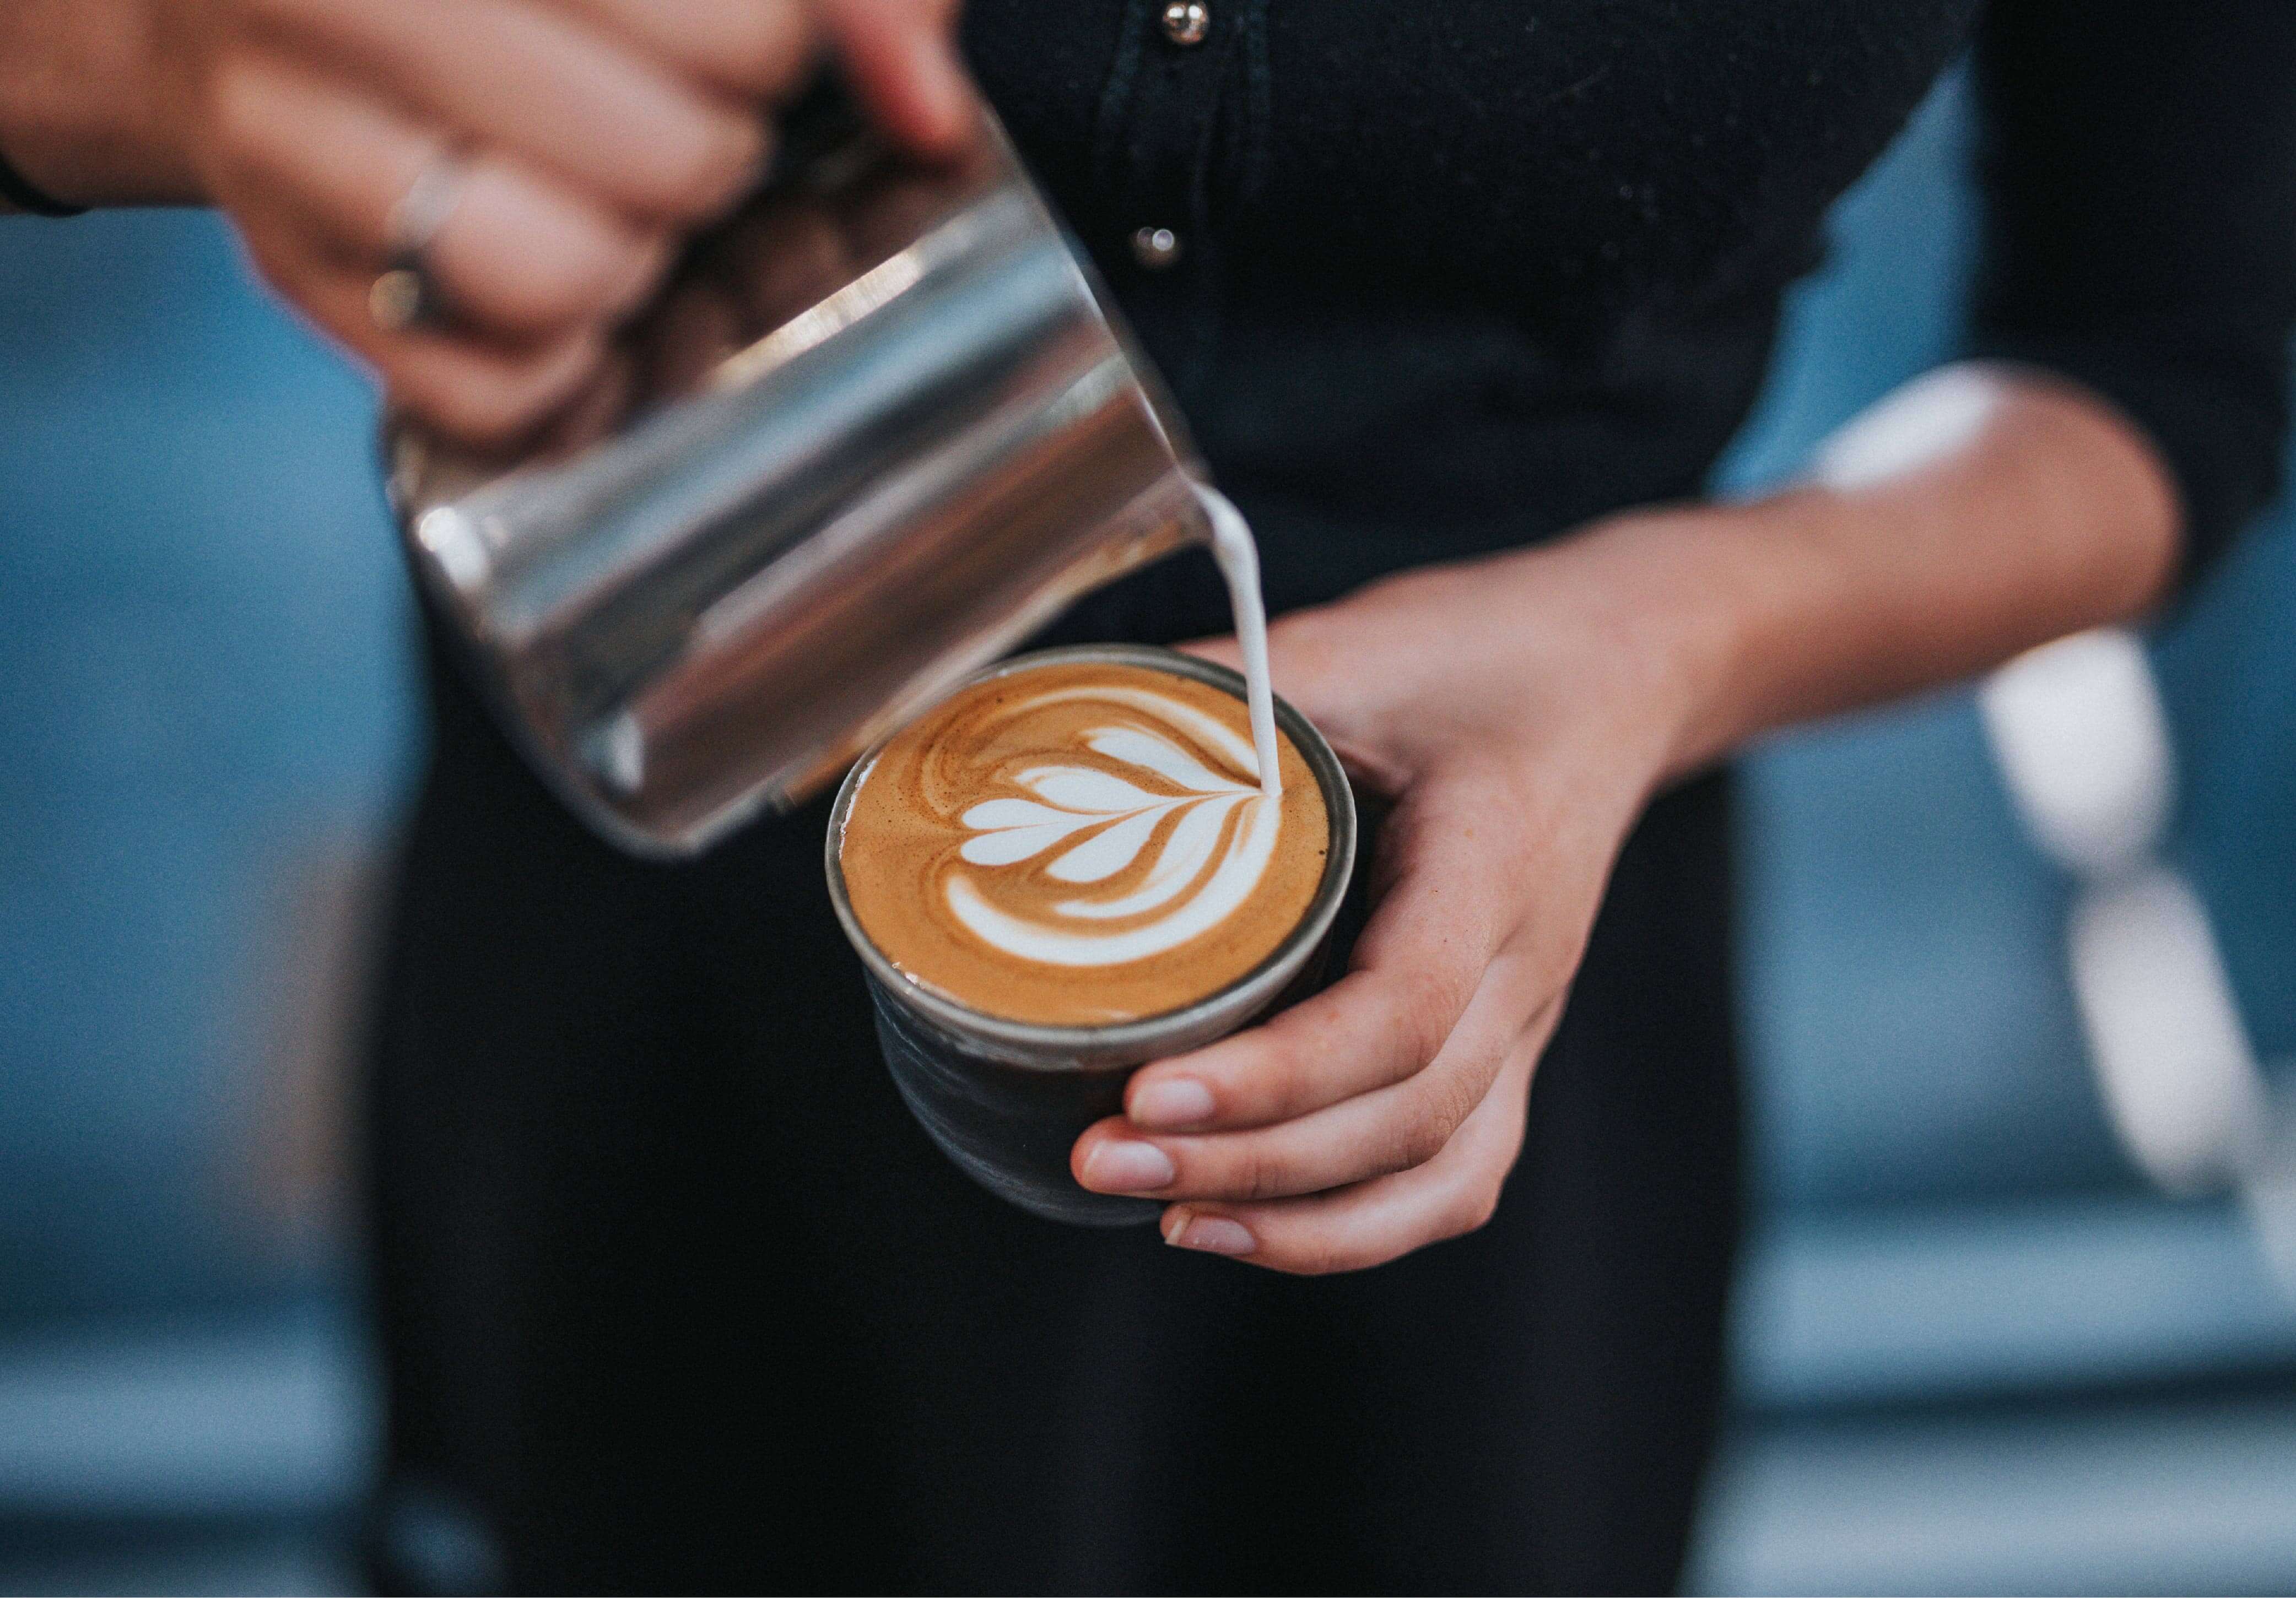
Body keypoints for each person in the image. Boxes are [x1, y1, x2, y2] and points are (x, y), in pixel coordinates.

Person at [8, 1, 2294, 1590]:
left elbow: (2164, 367)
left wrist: (1657, 642)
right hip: (663, 843)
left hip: (1510, 942)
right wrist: (156, 53)